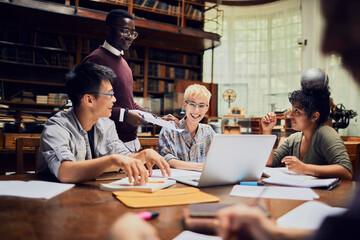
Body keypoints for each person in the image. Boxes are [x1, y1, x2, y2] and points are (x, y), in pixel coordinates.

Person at [37, 62, 170, 184]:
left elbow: (124, 157)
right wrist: (112, 160)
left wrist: (143, 155)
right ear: (89, 100)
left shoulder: (106, 124)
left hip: (92, 196)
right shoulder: (56, 127)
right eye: (110, 94)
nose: (114, 99)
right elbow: (65, 172)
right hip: (56, 202)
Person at [83, 9, 177, 153]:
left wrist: (158, 120)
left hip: (130, 141)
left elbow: (130, 103)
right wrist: (125, 115)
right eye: (125, 31)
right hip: (105, 144)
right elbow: (88, 105)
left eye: (133, 33)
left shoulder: (124, 64)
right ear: (108, 30)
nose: (130, 37)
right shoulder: (96, 59)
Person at [262, 81, 352, 180]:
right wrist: (267, 131)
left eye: (296, 111)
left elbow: (346, 171)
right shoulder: (294, 139)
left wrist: (304, 168)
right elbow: (270, 162)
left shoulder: (325, 133)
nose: (290, 115)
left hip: (324, 194)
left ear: (314, 116)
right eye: (292, 110)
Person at [158, 84, 215, 171]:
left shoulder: (208, 131)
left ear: (207, 108)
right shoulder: (169, 129)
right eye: (192, 104)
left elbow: (219, 157)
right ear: (185, 104)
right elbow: (167, 160)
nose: (196, 110)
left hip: (201, 180)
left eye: (201, 106)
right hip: (176, 181)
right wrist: (199, 167)